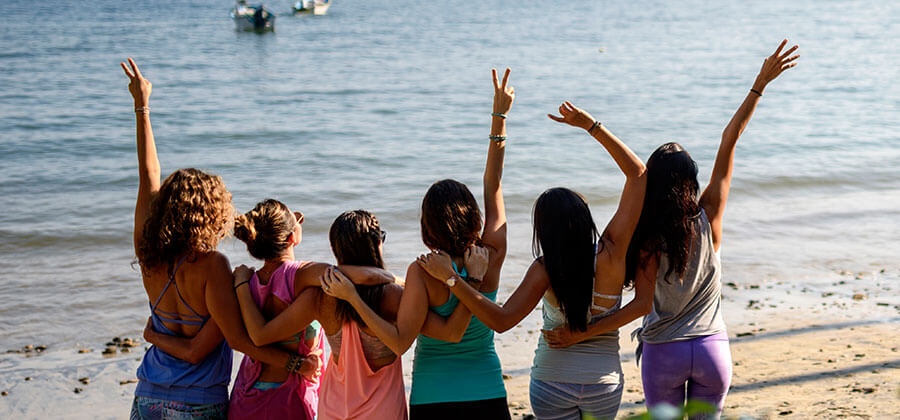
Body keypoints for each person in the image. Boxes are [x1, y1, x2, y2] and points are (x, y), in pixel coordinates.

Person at [541, 40, 800, 417]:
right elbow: (730, 140)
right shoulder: (710, 216)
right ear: (691, 182)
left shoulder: (646, 238)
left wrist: (580, 333)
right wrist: (759, 84)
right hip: (713, 348)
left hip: (665, 351)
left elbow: (641, 305)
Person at [417, 100, 646, 419]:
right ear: (585, 219)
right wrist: (591, 126)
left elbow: (501, 321)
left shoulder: (545, 268)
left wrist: (455, 280)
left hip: (551, 383)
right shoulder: (612, 253)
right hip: (602, 384)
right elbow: (638, 175)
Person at [320, 68, 515, 419]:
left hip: (432, 396)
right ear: (473, 215)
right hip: (486, 389)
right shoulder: (492, 256)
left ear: (426, 225)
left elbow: (403, 339)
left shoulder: (423, 273)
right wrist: (499, 117)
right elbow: (495, 183)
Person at [122, 58, 301, 420]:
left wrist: (142, 106)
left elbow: (147, 176)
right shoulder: (213, 266)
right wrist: (295, 363)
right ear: (212, 212)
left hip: (147, 399)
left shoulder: (148, 255)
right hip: (198, 403)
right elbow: (212, 347)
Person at [233, 210, 432, 420]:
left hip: (333, 407)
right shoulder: (395, 296)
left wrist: (242, 285)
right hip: (382, 409)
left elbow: (262, 334)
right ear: (375, 244)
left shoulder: (319, 296)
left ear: (335, 249)